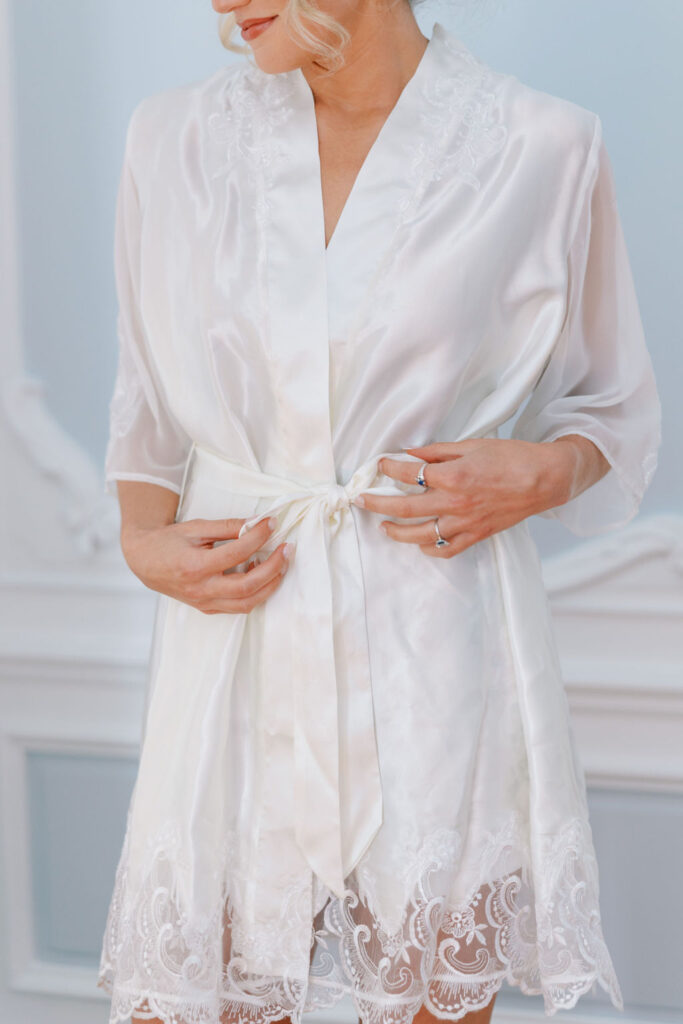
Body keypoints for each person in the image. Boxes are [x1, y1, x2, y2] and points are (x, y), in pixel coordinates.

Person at [96, 0, 661, 1022]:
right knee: (184, 995)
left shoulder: (542, 145)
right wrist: (144, 544)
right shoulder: (170, 138)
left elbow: (609, 408)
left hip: (433, 629)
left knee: (432, 1002)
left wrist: (542, 472)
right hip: (233, 638)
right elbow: (145, 404)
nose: (218, 1)